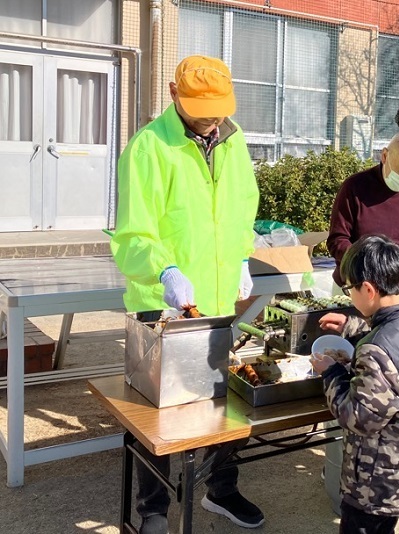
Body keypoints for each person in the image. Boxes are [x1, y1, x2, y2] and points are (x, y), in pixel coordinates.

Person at [110, 55, 263, 534]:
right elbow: (132, 234)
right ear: (174, 93)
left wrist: (241, 256)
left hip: (216, 299)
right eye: (201, 109)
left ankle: (221, 488)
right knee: (157, 412)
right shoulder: (148, 147)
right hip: (162, 299)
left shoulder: (233, 143)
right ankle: (152, 509)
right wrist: (166, 270)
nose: (212, 119)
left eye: (218, 109)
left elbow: (243, 209)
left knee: (222, 401)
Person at [310, 235, 399, 534]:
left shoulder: (377, 350)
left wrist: (330, 373)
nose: (349, 295)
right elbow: (391, 339)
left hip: (378, 482)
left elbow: (357, 417)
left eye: (349, 289)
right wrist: (351, 327)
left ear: (368, 289)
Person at [327, 130, 399, 289]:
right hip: (354, 285)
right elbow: (337, 239)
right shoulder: (355, 186)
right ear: (384, 156)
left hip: (397, 286)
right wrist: (365, 266)